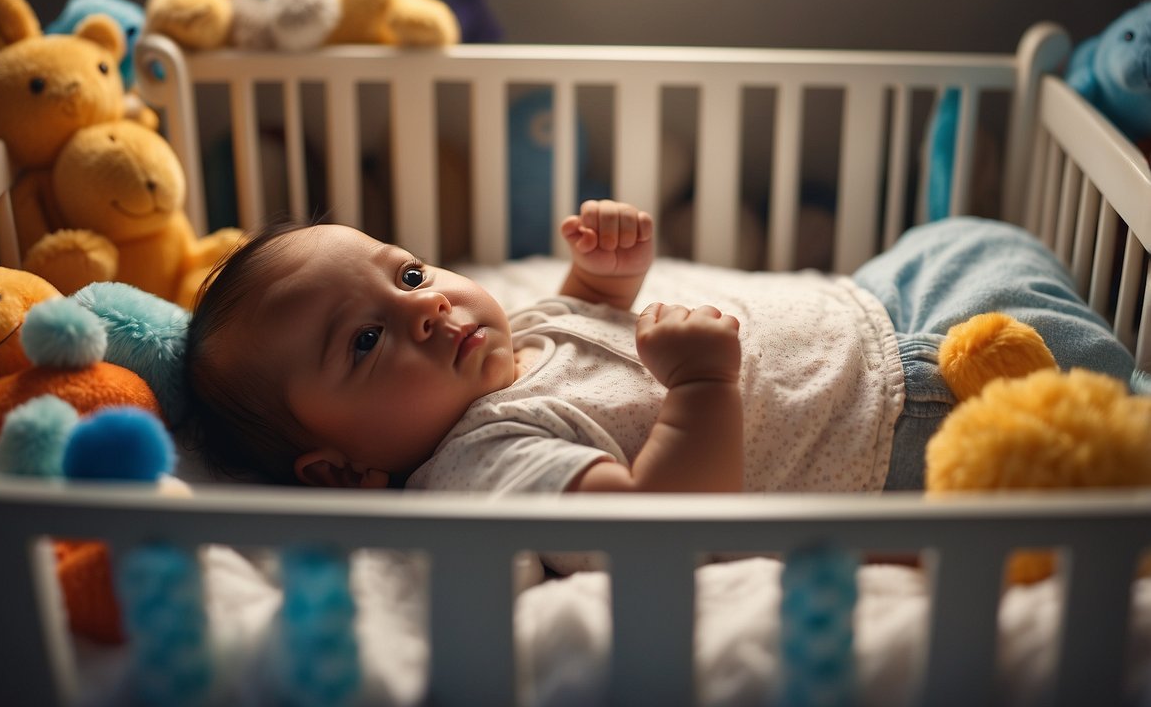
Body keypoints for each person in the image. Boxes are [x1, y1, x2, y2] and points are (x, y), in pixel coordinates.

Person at [184, 201, 1135, 496]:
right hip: (906, 420)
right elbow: (657, 524)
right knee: (1079, 377)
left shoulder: (504, 341)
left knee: (969, 235)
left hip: (880, 309)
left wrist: (605, 276)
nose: (425, 311)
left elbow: (585, 328)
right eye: (363, 341)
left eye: (409, 276)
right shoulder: (484, 460)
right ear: (336, 468)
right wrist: (703, 387)